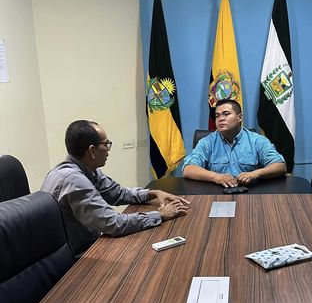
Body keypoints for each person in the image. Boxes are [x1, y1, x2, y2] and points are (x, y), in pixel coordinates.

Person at [42, 120, 190, 257]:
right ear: (92, 151)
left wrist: (153, 193)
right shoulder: (74, 181)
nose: (108, 150)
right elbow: (114, 224)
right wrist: (160, 214)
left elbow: (118, 193)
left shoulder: (87, 170)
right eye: (106, 144)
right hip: (76, 260)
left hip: (87, 246)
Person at [183, 99, 287, 187]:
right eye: (217, 116)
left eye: (226, 114)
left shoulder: (257, 140)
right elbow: (188, 169)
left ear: (240, 117)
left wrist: (255, 174)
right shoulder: (207, 142)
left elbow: (280, 166)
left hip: (250, 193)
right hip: (216, 193)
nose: (221, 119)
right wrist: (216, 177)